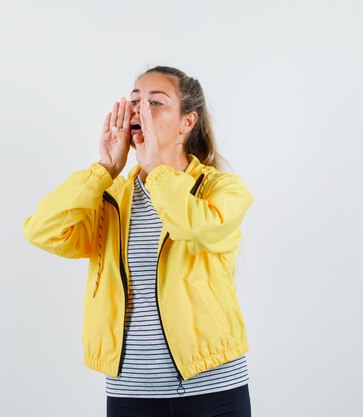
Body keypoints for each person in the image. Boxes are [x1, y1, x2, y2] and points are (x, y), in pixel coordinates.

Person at [23, 65, 255, 417]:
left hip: (213, 390)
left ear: (186, 122)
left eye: (156, 103)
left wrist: (158, 171)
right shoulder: (110, 196)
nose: (140, 111)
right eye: (135, 101)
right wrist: (103, 169)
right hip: (130, 393)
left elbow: (194, 229)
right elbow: (42, 230)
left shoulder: (220, 189)